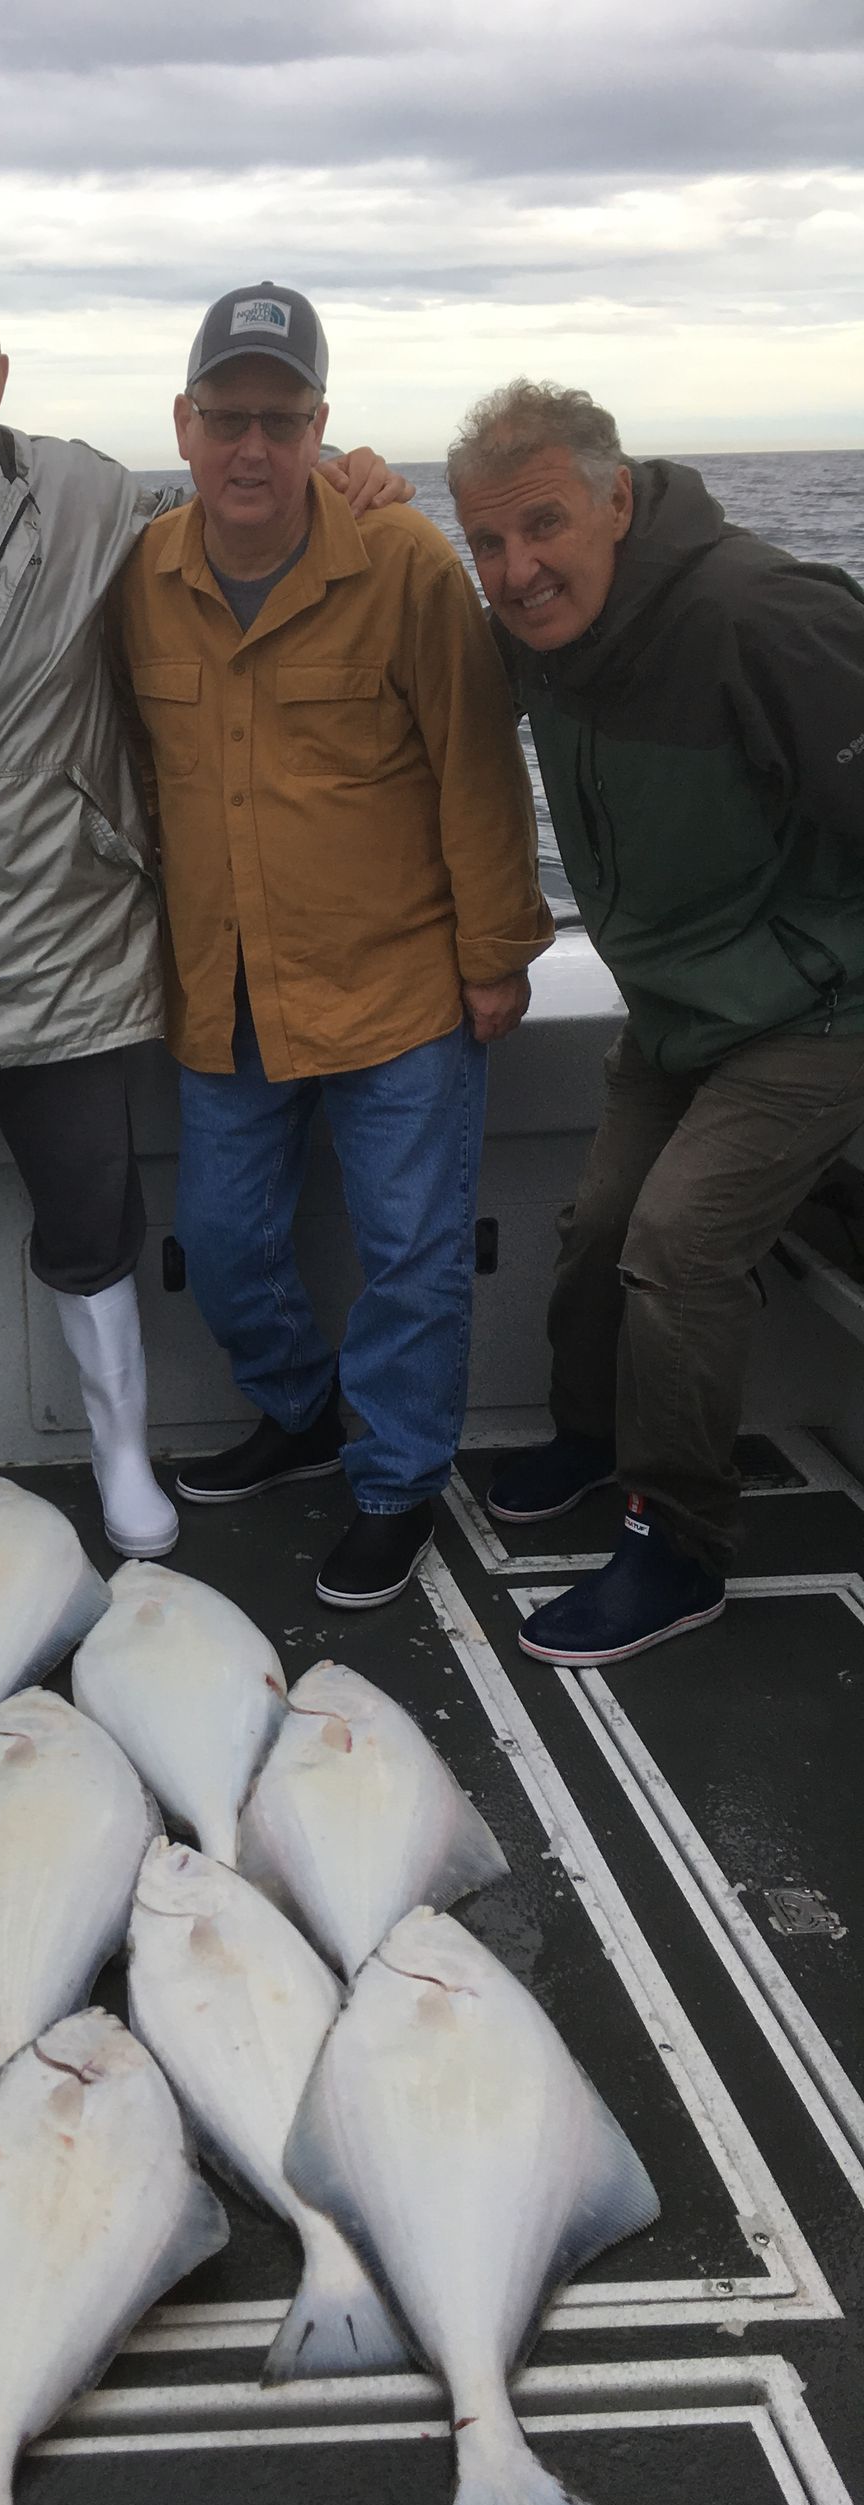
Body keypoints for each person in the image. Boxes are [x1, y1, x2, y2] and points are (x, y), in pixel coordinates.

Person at [0, 255, 409, 1558]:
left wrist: (345, 476)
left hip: (66, 944)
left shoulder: (93, 494)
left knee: (95, 1220)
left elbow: (229, 508)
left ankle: (120, 1454)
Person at [116, 283, 552, 1608]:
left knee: (409, 1256)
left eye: (282, 419)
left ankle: (396, 1481)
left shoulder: (407, 564)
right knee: (221, 1238)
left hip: (401, 988)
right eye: (229, 418)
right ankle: (300, 1409)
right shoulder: (144, 575)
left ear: (320, 429)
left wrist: (496, 957)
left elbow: (479, 772)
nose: (253, 447)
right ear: (184, 426)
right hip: (226, 989)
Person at [449, 380, 864, 1665]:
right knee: (596, 1236)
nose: (519, 573)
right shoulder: (541, 631)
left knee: (677, 1250)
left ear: (617, 500)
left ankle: (679, 1544)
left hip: (816, 1014)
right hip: (681, 1013)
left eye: (545, 527)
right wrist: (359, 492)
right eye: (488, 544)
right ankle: (594, 1435)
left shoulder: (764, 618)